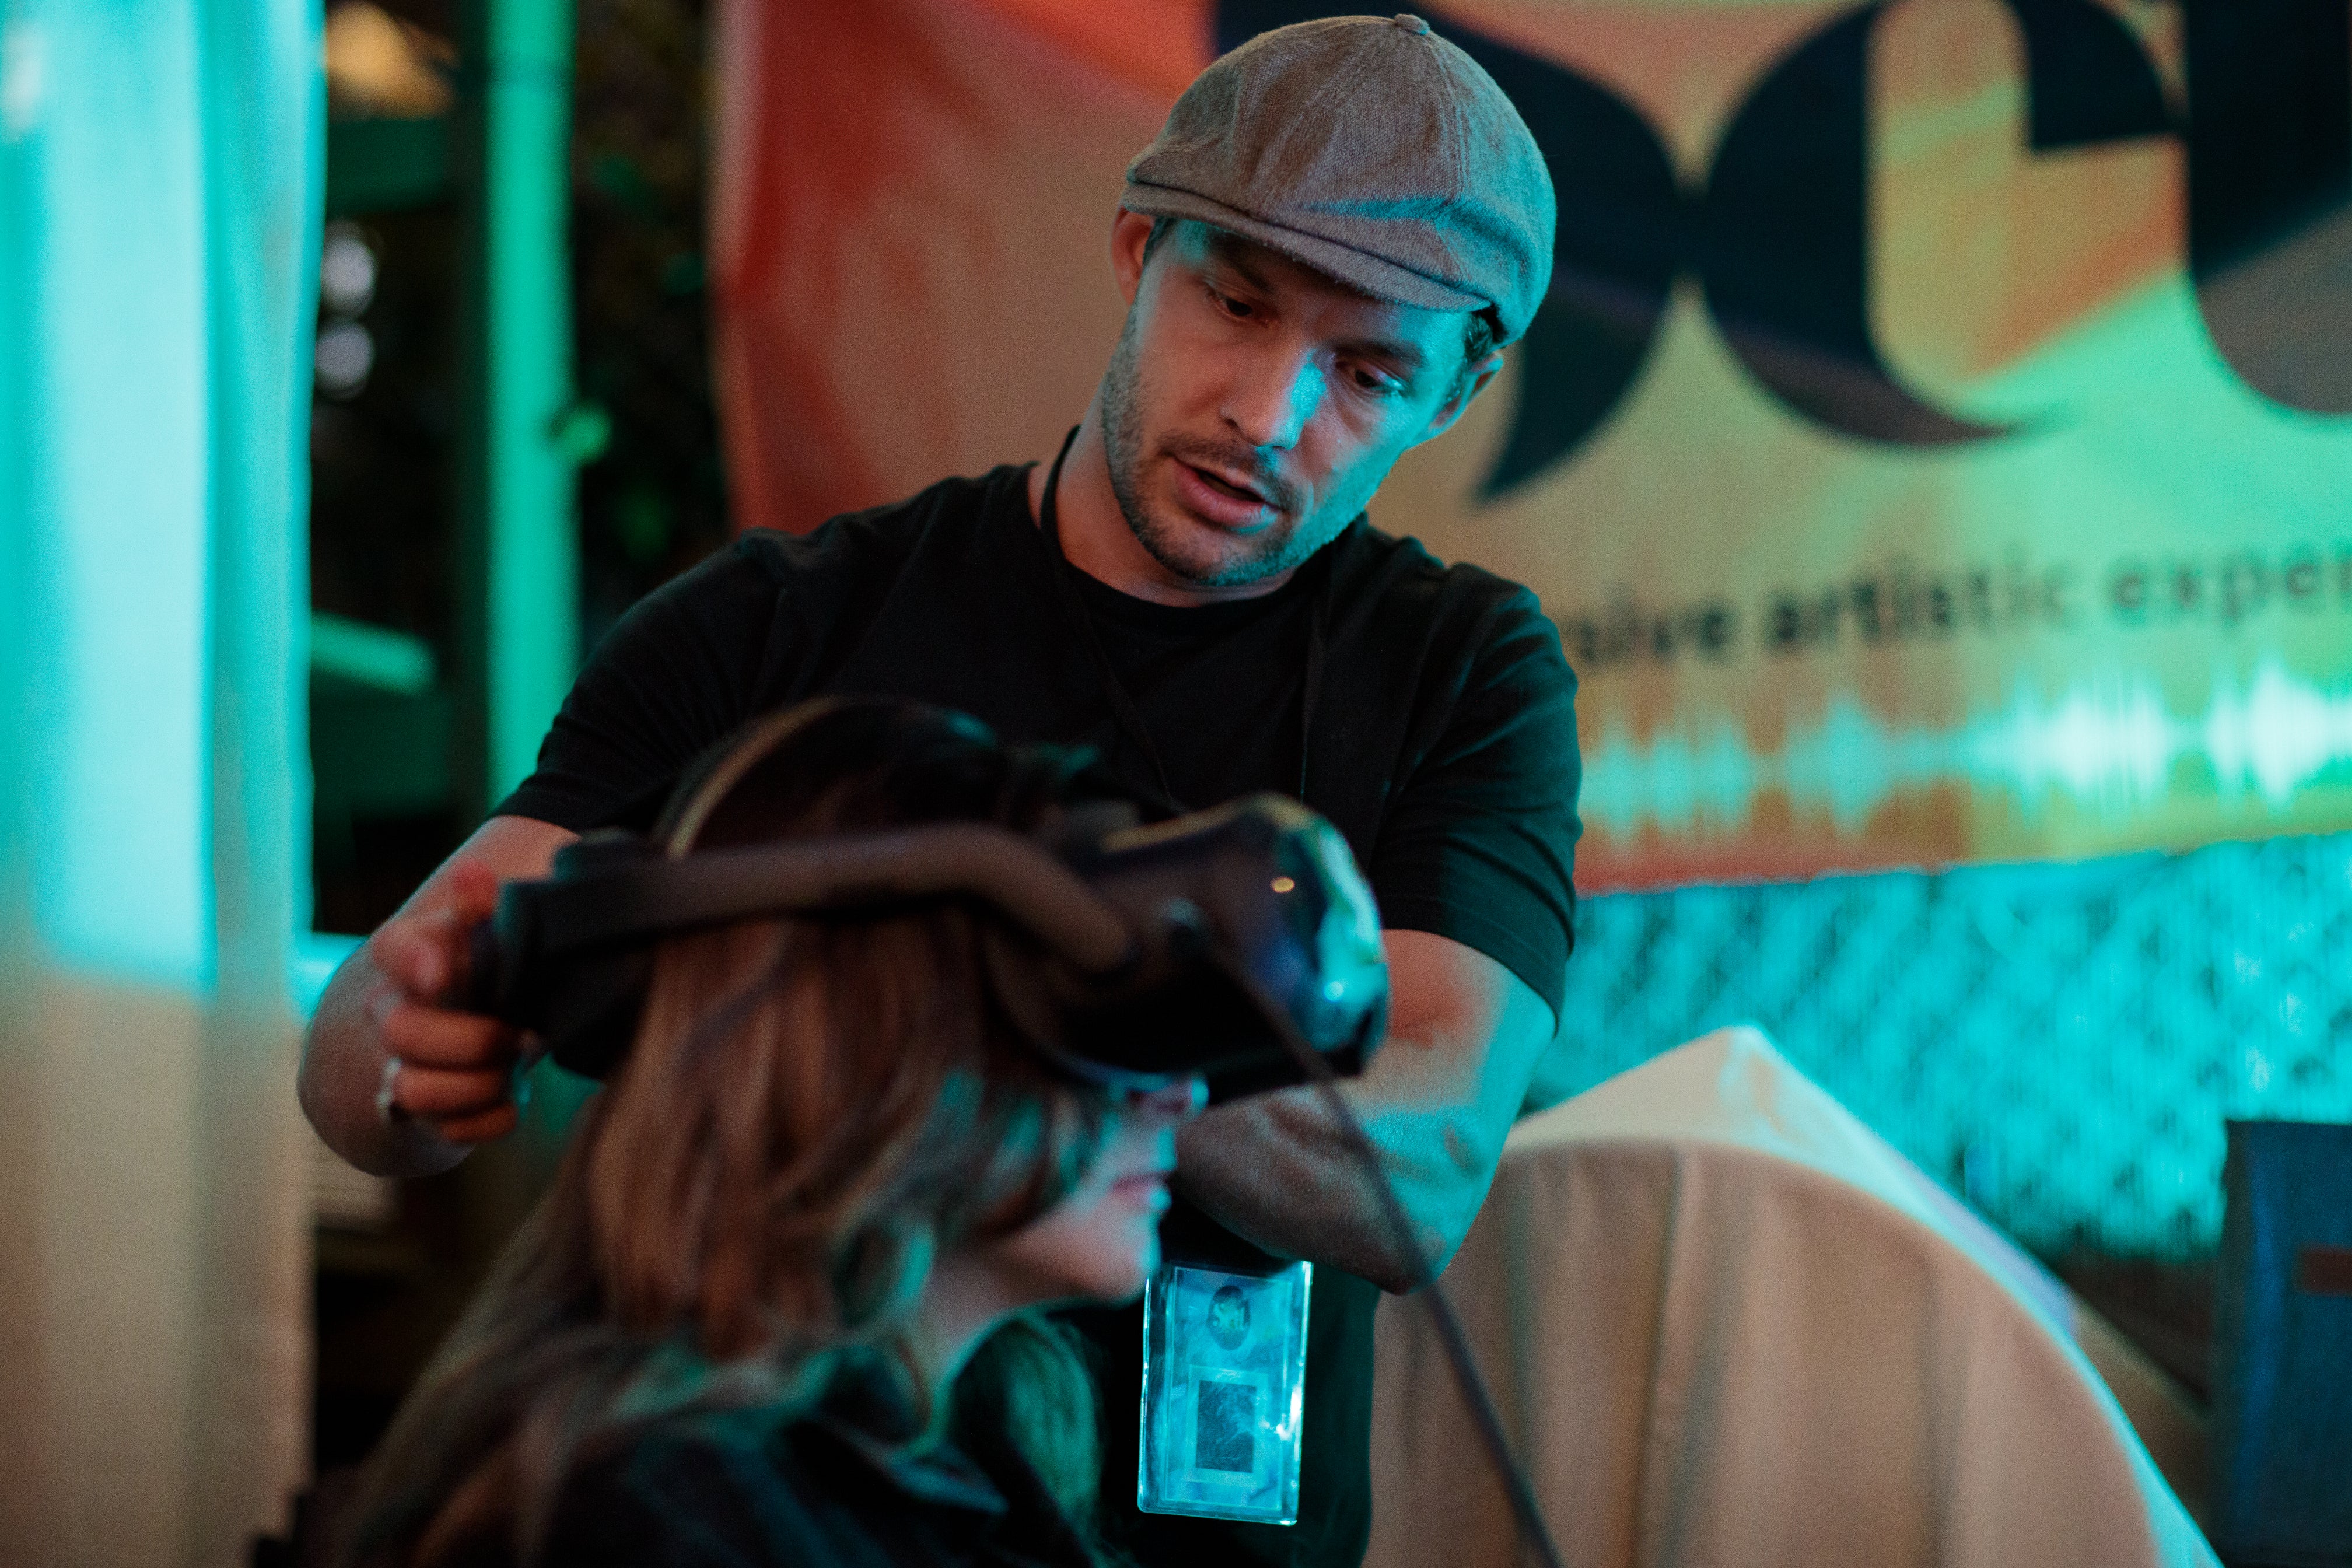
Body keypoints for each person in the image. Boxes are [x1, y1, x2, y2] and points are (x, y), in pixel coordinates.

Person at [303, 16, 1579, 1567]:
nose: (1268, 411)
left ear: (1458, 392)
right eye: (1232, 304)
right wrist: (406, 1040)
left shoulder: (1462, 672)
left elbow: (1417, 1173)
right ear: (1135, 248)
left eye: (1368, 372)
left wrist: (959, 962)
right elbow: (377, 1050)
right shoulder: (784, 623)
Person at [338, 696, 1206, 1567]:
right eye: (1085, 1020)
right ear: (873, 1050)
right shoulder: (658, 1527)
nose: (1181, 1095)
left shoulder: (972, 1466)